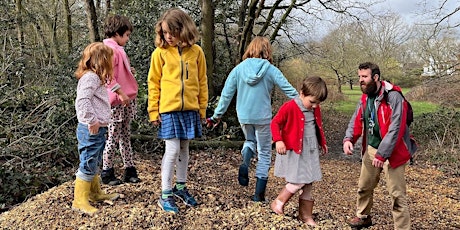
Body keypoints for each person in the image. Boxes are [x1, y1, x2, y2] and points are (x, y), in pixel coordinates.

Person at [208, 36, 298, 202]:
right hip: (262, 117)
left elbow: (226, 94)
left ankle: (247, 153)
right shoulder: (271, 70)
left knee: (250, 139)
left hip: (244, 116)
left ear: (250, 49)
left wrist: (216, 116)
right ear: (267, 51)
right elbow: (289, 90)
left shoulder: (239, 69)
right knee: (264, 153)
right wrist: (303, 102)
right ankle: (258, 195)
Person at [147, 8, 208, 214]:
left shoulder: (197, 52)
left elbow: (202, 81)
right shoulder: (159, 54)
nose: (168, 36)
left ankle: (180, 187)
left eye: (172, 31)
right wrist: (153, 111)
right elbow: (153, 83)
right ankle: (165, 194)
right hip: (169, 110)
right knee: (171, 150)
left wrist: (202, 108)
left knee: (184, 150)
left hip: (190, 109)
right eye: (165, 32)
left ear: (184, 29)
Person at [343, 62, 412, 229]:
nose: (361, 80)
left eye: (364, 77)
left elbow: (396, 128)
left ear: (375, 77)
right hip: (372, 149)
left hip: (393, 152)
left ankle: (402, 227)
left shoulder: (394, 97)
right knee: (364, 187)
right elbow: (357, 119)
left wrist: (383, 154)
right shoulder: (366, 96)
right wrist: (348, 139)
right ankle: (363, 216)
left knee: (397, 195)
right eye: (359, 77)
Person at [270, 76, 328, 227]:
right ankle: (279, 201)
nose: (315, 106)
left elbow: (317, 127)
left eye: (318, 103)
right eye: (312, 102)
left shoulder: (315, 108)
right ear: (302, 93)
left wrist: (322, 143)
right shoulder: (290, 106)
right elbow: (275, 122)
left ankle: (305, 215)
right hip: (296, 150)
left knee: (309, 182)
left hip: (310, 149)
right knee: (299, 180)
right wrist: (278, 140)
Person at [73, 42, 120, 215]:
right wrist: (91, 121)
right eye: (110, 60)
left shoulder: (95, 78)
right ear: (101, 61)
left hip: (97, 127)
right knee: (87, 161)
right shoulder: (91, 78)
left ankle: (94, 193)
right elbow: (82, 101)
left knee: (93, 161)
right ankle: (79, 200)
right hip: (90, 128)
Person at [101, 15, 140, 185]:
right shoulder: (110, 51)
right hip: (117, 101)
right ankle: (107, 171)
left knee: (125, 135)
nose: (128, 39)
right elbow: (109, 77)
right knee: (112, 137)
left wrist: (128, 70)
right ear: (117, 33)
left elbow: (118, 73)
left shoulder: (118, 50)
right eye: (127, 35)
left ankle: (129, 169)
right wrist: (121, 94)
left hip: (126, 99)